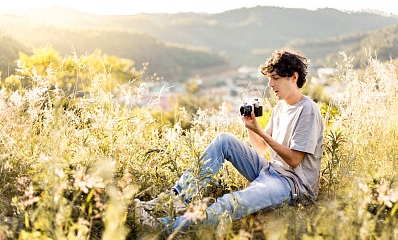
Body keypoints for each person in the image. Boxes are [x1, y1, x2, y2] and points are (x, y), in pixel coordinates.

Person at [135, 50, 324, 233]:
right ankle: (171, 201)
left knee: (232, 202)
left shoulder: (308, 110)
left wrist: (260, 131)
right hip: (272, 170)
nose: (269, 84)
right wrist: (251, 128)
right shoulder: (281, 107)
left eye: (275, 78)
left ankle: (162, 227)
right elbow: (261, 149)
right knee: (224, 140)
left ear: (294, 77)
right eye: (269, 79)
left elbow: (293, 160)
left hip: (293, 185)